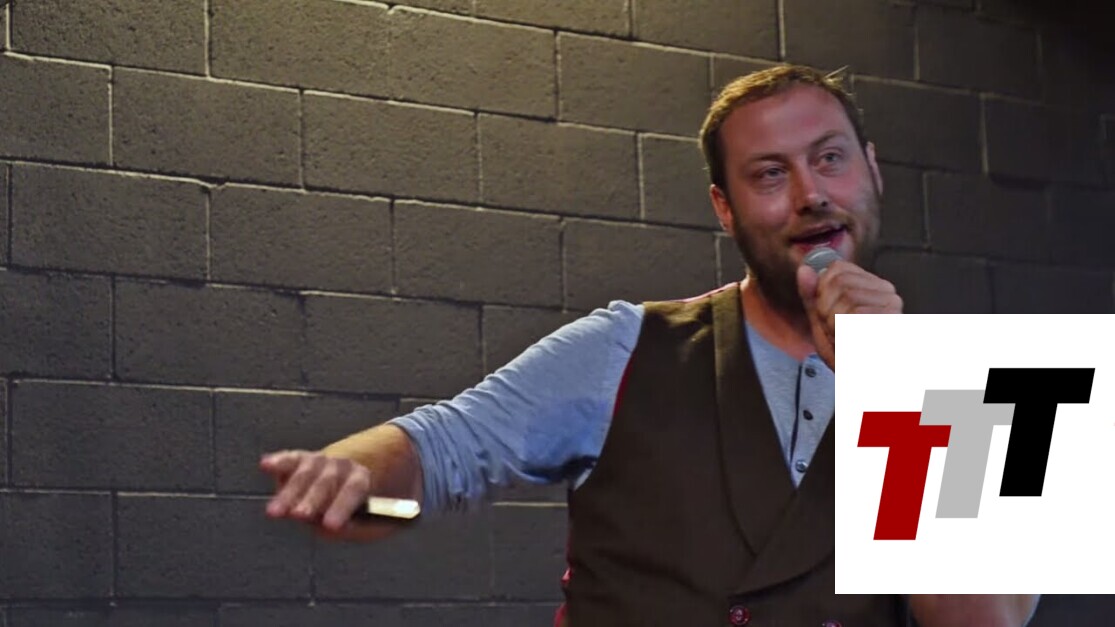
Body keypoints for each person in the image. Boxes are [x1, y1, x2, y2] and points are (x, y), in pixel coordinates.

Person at [259, 64, 1040, 626]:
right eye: (770, 174)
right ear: (724, 207)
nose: (810, 193)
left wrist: (895, 379)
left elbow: (986, 619)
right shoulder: (624, 347)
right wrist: (349, 472)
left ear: (871, 170)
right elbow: (441, 445)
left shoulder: (999, 381)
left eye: (829, 158)